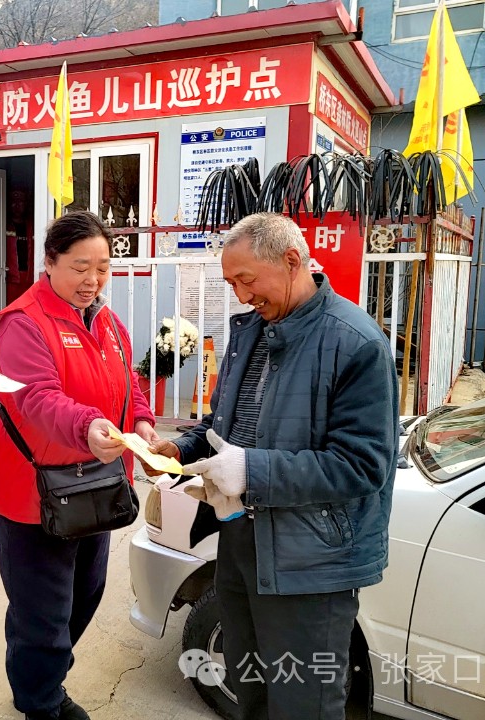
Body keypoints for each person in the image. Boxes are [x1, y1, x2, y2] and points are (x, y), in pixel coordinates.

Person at [150, 212, 398, 720]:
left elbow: (362, 465)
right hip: (240, 540)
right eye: (231, 284)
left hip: (311, 561)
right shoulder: (251, 333)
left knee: (304, 703)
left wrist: (252, 471)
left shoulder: (356, 342)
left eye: (247, 280)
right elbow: (223, 425)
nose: (242, 296)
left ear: (290, 261)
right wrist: (179, 451)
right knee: (251, 689)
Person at [0, 211, 160, 720]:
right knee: (42, 610)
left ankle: (41, 678)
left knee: (84, 594)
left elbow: (128, 382)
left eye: (102, 268)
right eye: (80, 267)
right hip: (36, 492)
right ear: (49, 262)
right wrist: (87, 425)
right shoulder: (23, 322)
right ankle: (42, 702)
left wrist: (141, 421)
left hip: (95, 486)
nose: (93, 280)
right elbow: (35, 398)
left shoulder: (106, 320)